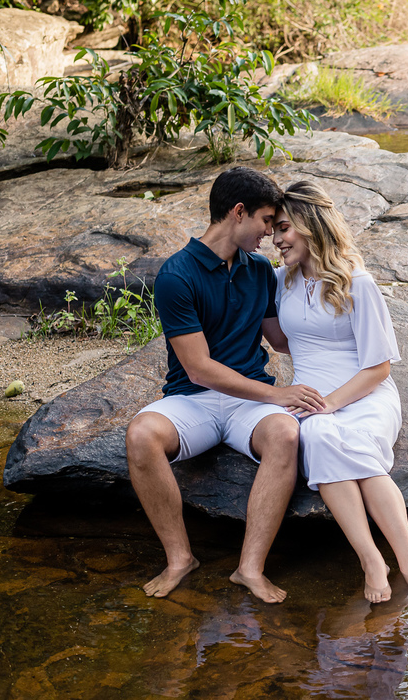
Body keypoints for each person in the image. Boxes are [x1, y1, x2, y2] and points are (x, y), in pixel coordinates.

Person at [126, 167, 326, 603]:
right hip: (193, 399)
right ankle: (180, 558)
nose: (271, 233)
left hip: (247, 405)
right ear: (238, 212)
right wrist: (278, 394)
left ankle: (249, 569)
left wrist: (335, 305)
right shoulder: (176, 276)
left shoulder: (260, 271)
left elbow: (280, 340)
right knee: (141, 435)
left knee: (285, 433)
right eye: (266, 221)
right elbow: (198, 369)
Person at [269, 180, 408, 603]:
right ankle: (371, 560)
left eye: (284, 229)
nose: (276, 240)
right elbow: (284, 342)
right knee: (318, 435)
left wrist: (331, 403)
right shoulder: (279, 281)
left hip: (364, 394)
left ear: (311, 226)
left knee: (352, 444)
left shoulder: (356, 282)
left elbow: (378, 367)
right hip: (312, 397)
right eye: (273, 230)